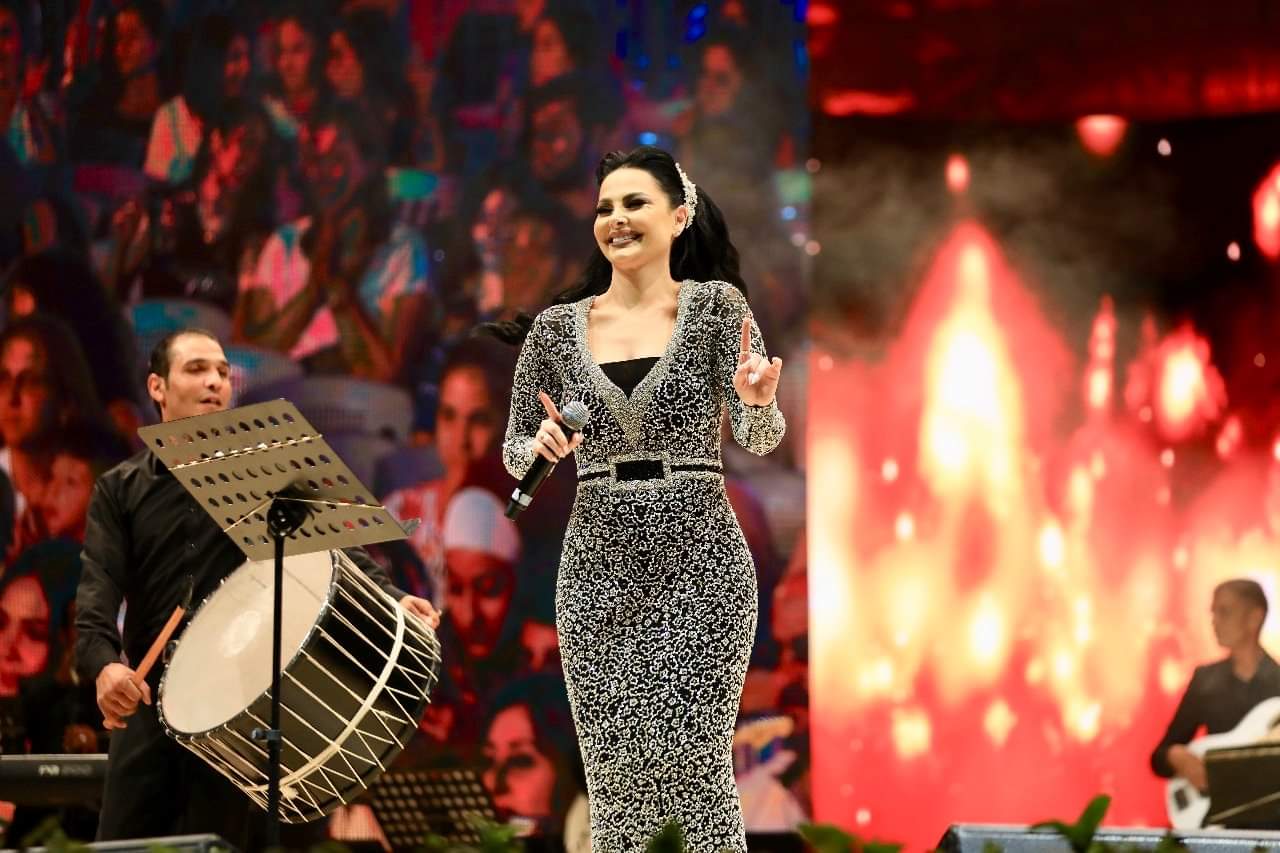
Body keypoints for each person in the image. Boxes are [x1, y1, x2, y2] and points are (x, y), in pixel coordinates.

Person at [489, 145, 785, 851]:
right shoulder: (555, 330)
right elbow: (514, 450)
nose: (616, 219)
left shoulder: (717, 309)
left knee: (694, 769)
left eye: (634, 203)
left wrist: (756, 402)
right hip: (598, 563)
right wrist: (540, 446)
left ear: (679, 217)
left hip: (702, 557)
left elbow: (761, 436)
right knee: (615, 779)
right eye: (605, 208)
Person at [74, 328, 441, 845]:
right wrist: (104, 665)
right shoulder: (119, 489)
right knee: (123, 846)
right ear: (157, 387)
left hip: (234, 707)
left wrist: (393, 596)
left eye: (223, 373)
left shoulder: (258, 468)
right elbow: (98, 589)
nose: (214, 382)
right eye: (197, 369)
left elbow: (335, 547)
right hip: (149, 701)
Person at [1151, 579, 1280, 796]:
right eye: (1213, 613)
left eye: (1224, 612)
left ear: (1254, 617)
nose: (1214, 621)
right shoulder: (1205, 680)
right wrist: (1177, 756)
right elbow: (1160, 756)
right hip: (1215, 812)